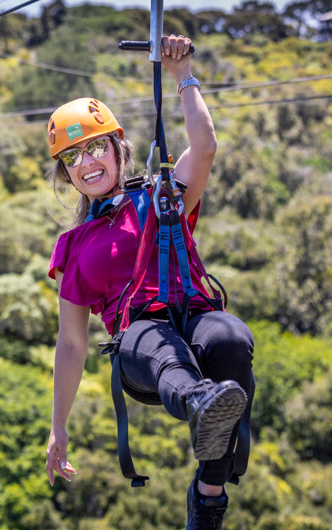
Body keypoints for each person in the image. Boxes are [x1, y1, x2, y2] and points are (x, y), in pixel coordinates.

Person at [42, 35, 255, 530]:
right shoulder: (74, 247)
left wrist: (182, 76)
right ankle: (199, 401)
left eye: (95, 147)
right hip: (141, 347)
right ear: (66, 176)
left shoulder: (162, 196)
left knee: (230, 336)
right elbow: (71, 344)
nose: (87, 163)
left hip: (196, 316)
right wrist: (58, 427)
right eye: (73, 158)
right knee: (155, 340)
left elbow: (204, 149)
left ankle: (208, 494)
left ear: (118, 149)